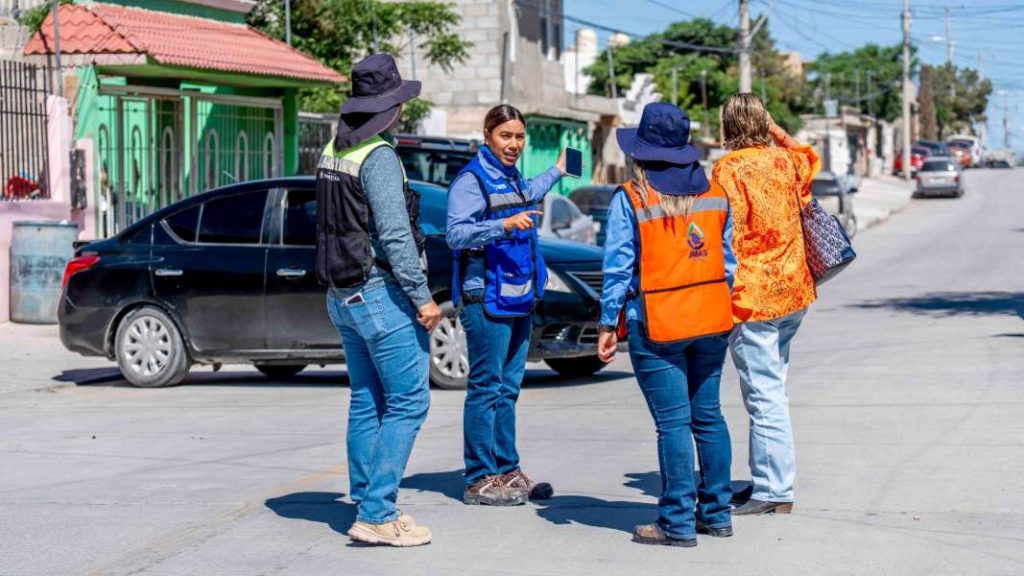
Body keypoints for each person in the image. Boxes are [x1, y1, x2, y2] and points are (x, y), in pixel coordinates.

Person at [315, 53, 442, 547]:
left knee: (367, 399)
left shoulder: (333, 148)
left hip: (341, 293)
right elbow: (394, 236)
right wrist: (422, 297)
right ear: (388, 110)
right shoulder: (379, 156)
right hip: (377, 293)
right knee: (410, 399)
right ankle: (377, 511)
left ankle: (365, 496)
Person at [597, 102, 737, 547]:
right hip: (713, 318)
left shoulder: (633, 197)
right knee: (709, 418)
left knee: (673, 423)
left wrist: (606, 323)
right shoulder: (716, 191)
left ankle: (676, 522)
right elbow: (729, 263)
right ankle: (716, 514)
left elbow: (619, 268)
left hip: (658, 323)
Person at [446, 104, 566, 506]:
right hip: (485, 297)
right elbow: (456, 234)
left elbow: (528, 193)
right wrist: (503, 226)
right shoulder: (471, 180)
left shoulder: (511, 177)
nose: (513, 144)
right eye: (506, 136)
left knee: (509, 389)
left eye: (519, 137)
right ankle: (480, 477)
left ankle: (507, 470)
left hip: (518, 297)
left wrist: (558, 170)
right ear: (487, 134)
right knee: (485, 388)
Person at [713, 93, 820, 516]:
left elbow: (725, 231)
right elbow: (809, 158)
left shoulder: (727, 169)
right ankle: (767, 479)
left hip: (753, 296)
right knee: (771, 388)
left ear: (728, 125)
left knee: (764, 395)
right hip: (794, 290)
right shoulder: (785, 161)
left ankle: (775, 491)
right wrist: (776, 130)